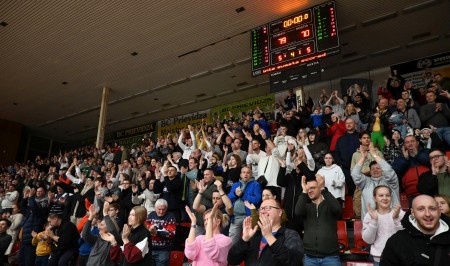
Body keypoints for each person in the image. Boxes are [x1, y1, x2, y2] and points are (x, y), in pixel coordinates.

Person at [227, 199, 304, 266]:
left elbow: (294, 262)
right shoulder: (254, 234)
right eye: (261, 209)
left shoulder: (290, 234)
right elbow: (232, 260)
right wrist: (244, 240)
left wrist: (269, 237)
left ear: (279, 212)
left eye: (267, 208)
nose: (263, 211)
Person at [380, 195, 450, 266]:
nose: (427, 214)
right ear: (413, 213)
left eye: (432, 209)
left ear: (439, 212)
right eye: (421, 209)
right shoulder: (397, 241)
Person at [295, 175, 342, 266]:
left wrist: (324, 189)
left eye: (312, 188)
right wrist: (304, 191)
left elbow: (337, 209)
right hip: (309, 257)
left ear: (319, 188)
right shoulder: (306, 207)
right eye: (308, 189)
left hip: (331, 257)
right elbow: (298, 212)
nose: (310, 190)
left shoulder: (329, 204)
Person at [351, 145, 400, 219]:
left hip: (391, 221)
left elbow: (388, 170)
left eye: (378, 168)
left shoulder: (390, 181)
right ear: (370, 172)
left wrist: (374, 154)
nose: (375, 170)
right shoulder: (366, 182)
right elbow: (355, 174)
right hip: (370, 222)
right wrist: (363, 157)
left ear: (382, 170)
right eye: (372, 169)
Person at [362, 185, 405, 266]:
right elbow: (368, 240)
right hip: (379, 260)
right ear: (375, 198)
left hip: (398, 259)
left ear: (391, 197)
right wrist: (374, 220)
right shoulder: (370, 215)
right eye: (381, 195)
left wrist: (396, 220)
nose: (385, 198)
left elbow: (405, 238)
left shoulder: (400, 213)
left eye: (387, 195)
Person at [227, 166, 262, 244]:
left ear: (251, 174)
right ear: (240, 174)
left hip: (248, 217)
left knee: (249, 241)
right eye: (244, 172)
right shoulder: (235, 185)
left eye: (248, 172)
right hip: (235, 217)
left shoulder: (256, 185)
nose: (246, 174)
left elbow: (257, 200)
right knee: (232, 242)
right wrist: (236, 194)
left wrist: (242, 195)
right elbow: (228, 198)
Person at [146, 199, 176, 266]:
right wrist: (150, 229)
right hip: (150, 249)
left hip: (164, 250)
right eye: (159, 209)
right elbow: (145, 227)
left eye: (163, 209)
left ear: (167, 208)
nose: (161, 211)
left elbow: (172, 234)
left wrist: (157, 233)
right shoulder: (151, 215)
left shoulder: (170, 216)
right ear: (155, 208)